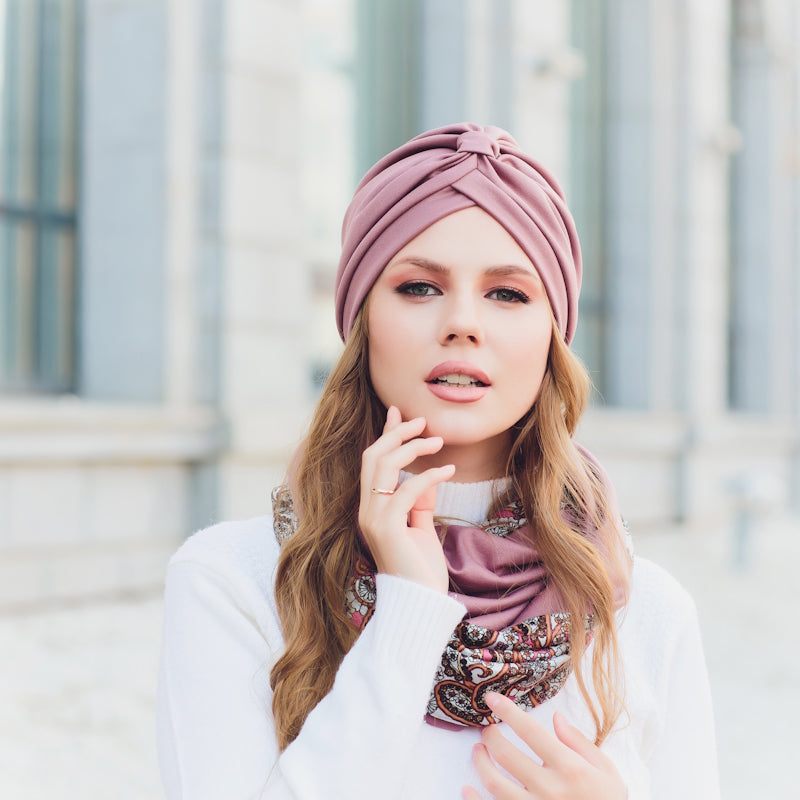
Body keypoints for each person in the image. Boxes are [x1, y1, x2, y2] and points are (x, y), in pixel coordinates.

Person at [157, 123, 719, 799]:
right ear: (363, 319)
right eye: (420, 287)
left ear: (551, 336)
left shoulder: (642, 610)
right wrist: (410, 610)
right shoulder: (233, 583)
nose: (463, 322)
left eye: (508, 293)